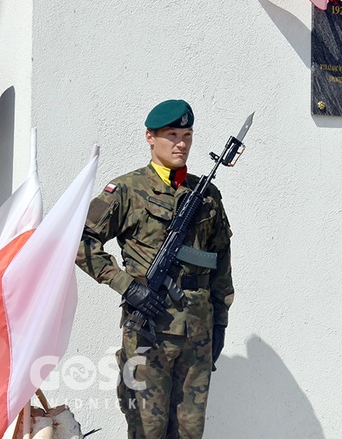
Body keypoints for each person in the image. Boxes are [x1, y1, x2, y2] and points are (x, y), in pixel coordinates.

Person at [76, 99, 234, 438]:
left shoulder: (206, 195)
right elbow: (80, 241)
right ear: (150, 137)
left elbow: (221, 261)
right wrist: (125, 285)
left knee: (190, 431)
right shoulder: (128, 190)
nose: (181, 143)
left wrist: (220, 320)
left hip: (197, 333)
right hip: (149, 332)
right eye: (172, 134)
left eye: (187, 135)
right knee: (147, 430)